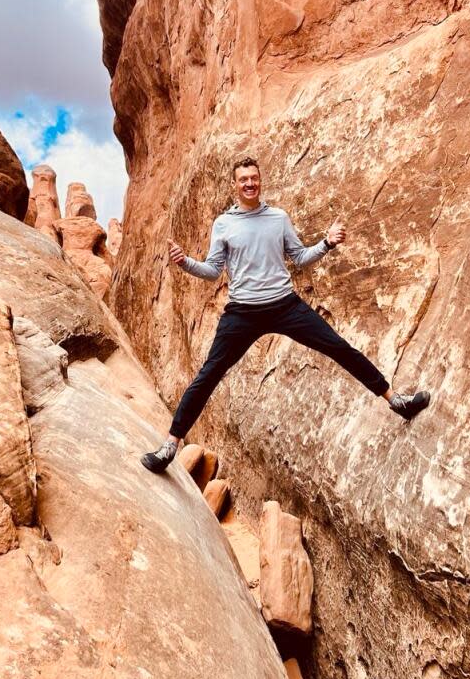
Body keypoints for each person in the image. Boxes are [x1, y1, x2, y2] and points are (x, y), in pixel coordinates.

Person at [142, 156, 430, 472]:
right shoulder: (224, 224)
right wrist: (185, 262)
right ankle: (171, 444)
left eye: (254, 177)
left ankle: (396, 401)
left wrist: (327, 243)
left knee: (338, 347)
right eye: (243, 179)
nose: (249, 183)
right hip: (243, 313)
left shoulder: (278, 218)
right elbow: (213, 271)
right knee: (208, 374)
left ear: (260, 180)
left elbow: (300, 257)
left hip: (284, 306)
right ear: (234, 185)